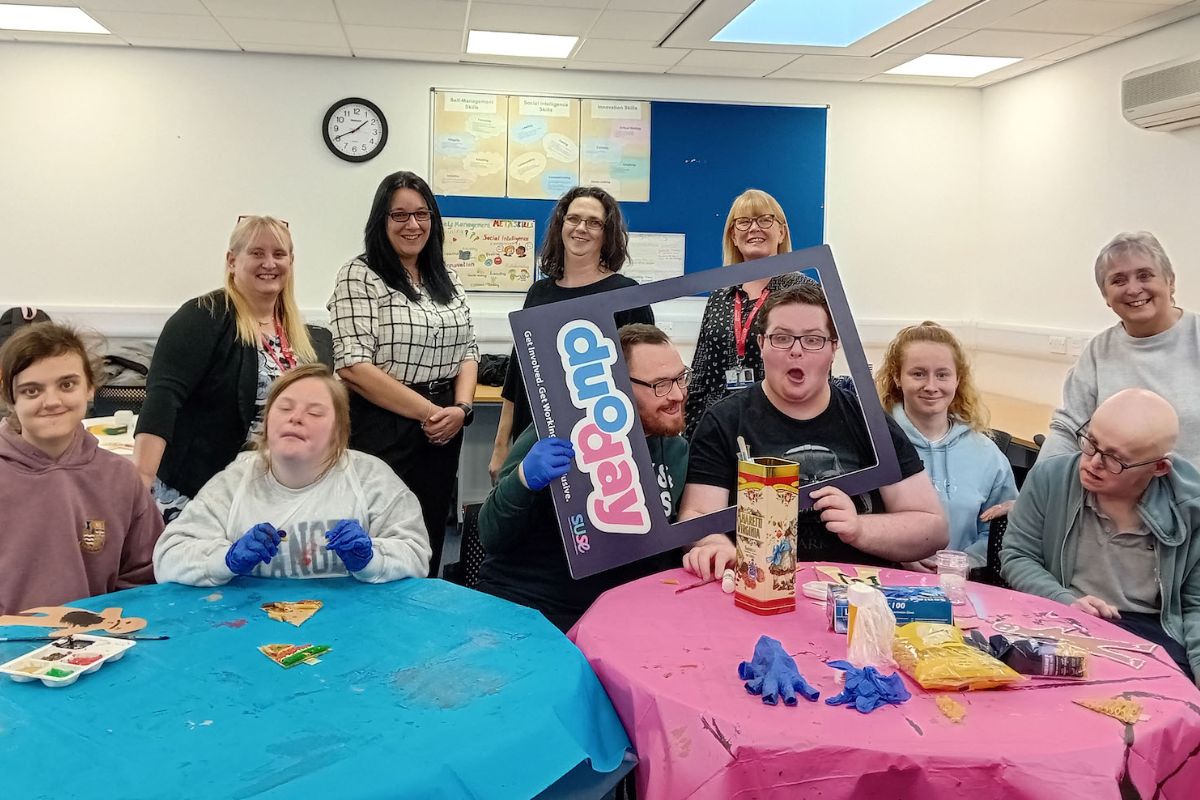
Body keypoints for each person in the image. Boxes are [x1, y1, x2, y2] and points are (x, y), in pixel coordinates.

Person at [680, 283, 947, 580]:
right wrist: (717, 546)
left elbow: (933, 527)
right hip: (756, 587)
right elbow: (697, 516)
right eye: (781, 338)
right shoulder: (724, 420)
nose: (797, 350)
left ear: (833, 348)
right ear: (761, 344)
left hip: (855, 594)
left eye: (813, 340)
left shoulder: (868, 420)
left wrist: (859, 529)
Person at [477, 324, 688, 631]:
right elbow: (490, 533)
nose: (678, 395)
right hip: (530, 601)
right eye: (660, 385)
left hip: (614, 610)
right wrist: (523, 480)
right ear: (619, 387)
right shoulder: (563, 431)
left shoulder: (677, 450)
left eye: (681, 378)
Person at [153, 365, 431, 586]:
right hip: (250, 625)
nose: (295, 418)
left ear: (339, 432)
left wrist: (371, 558)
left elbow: (417, 554)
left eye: (315, 412)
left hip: (352, 627)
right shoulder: (235, 482)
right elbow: (168, 558)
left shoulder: (371, 480)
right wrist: (225, 560)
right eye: (285, 408)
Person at [134, 216, 333, 522]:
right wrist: (139, 484)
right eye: (256, 253)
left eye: (279, 254)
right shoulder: (203, 317)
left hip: (275, 501)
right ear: (231, 261)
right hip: (200, 498)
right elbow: (162, 400)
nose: (269, 263)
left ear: (291, 262)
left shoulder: (304, 336)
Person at [328, 171, 479, 577]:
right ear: (381, 220)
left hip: (444, 425)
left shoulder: (444, 277)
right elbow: (354, 366)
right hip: (382, 423)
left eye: (421, 214)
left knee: (427, 532)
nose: (413, 225)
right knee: (376, 531)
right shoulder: (359, 275)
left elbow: (468, 349)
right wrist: (432, 412)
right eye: (399, 215)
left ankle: (419, 621)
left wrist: (461, 409)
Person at [1003, 389, 1200, 682]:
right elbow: (1017, 556)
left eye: (1114, 459)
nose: (1093, 463)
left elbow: (1195, 605)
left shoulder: (1189, 509)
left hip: (1153, 632)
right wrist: (1062, 599)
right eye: (1091, 443)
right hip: (1063, 617)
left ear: (1158, 468)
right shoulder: (1051, 478)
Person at [488, 186, 653, 482]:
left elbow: (643, 382)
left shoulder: (625, 294)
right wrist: (501, 446)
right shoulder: (539, 293)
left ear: (607, 232)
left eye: (593, 222)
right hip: (533, 442)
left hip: (600, 451)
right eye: (574, 219)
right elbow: (518, 374)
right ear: (561, 224)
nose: (581, 229)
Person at [0, 323, 162, 613]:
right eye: (31, 390)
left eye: (67, 385)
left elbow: (145, 579)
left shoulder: (120, 478)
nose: (52, 401)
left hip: (96, 647)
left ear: (90, 388)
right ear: (10, 400)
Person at [1041, 231, 1200, 465]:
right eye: (1118, 280)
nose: (1133, 289)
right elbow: (1068, 428)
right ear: (1106, 296)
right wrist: (1037, 490)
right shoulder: (1098, 351)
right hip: (1118, 497)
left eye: (1144, 275)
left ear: (1170, 281)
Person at [876, 321, 1017, 569]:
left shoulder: (987, 455)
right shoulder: (876, 447)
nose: (931, 386)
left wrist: (959, 564)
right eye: (918, 374)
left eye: (942, 375)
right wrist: (901, 554)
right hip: (889, 580)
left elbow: (1000, 531)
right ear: (897, 377)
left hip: (965, 584)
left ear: (957, 379)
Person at [684, 189, 816, 439]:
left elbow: (817, 371)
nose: (754, 228)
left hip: (781, 427)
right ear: (733, 236)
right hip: (717, 429)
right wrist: (691, 438)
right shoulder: (720, 294)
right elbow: (700, 373)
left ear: (781, 231)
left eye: (765, 219)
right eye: (744, 222)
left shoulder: (804, 291)